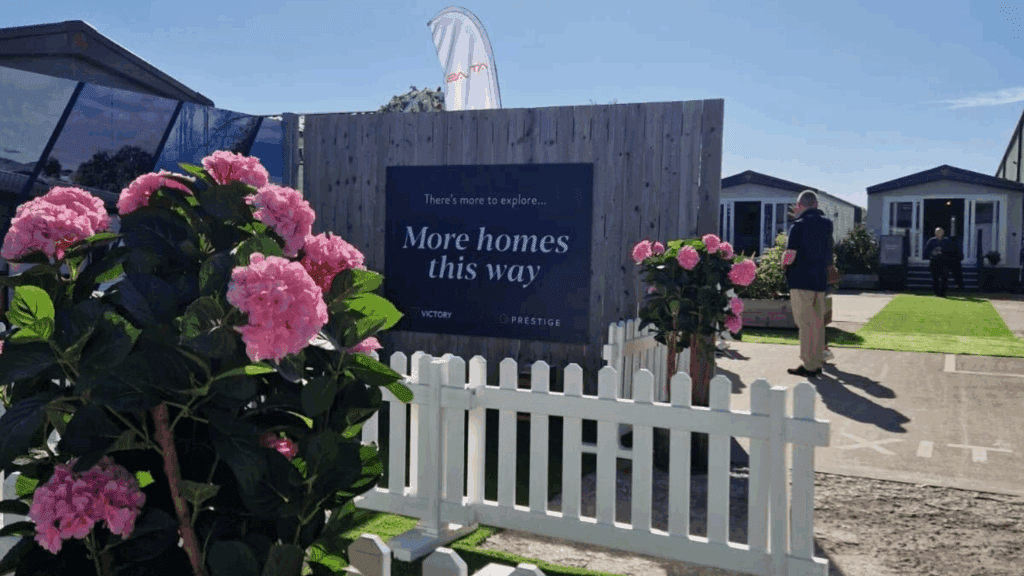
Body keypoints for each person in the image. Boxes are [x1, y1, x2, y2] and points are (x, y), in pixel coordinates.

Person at [781, 190, 834, 378]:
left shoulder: (798, 225)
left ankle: (809, 364)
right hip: (820, 280)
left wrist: (783, 264)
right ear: (816, 204)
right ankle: (818, 360)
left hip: (800, 279)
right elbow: (829, 253)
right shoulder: (827, 224)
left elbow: (790, 254)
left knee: (804, 323)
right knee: (818, 322)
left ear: (802, 205)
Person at [923, 227, 955, 297]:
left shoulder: (947, 241)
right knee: (935, 278)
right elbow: (926, 250)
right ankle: (936, 293)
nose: (939, 233)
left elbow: (952, 250)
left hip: (945, 261)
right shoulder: (931, 241)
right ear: (935, 233)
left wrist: (944, 252)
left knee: (945, 278)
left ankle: (943, 293)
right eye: (937, 232)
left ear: (943, 233)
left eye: (940, 232)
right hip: (935, 261)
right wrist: (933, 252)